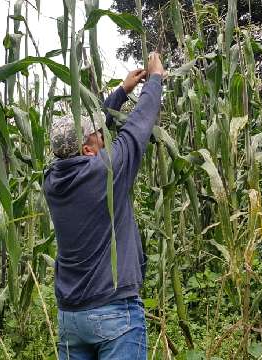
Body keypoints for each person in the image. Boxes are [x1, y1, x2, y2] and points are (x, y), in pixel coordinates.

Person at [43, 52, 165, 359]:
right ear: (88, 149)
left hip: (71, 318)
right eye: (99, 135)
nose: (105, 135)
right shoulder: (105, 173)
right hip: (114, 312)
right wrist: (156, 80)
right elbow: (137, 129)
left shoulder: (52, 180)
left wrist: (121, 93)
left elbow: (86, 138)